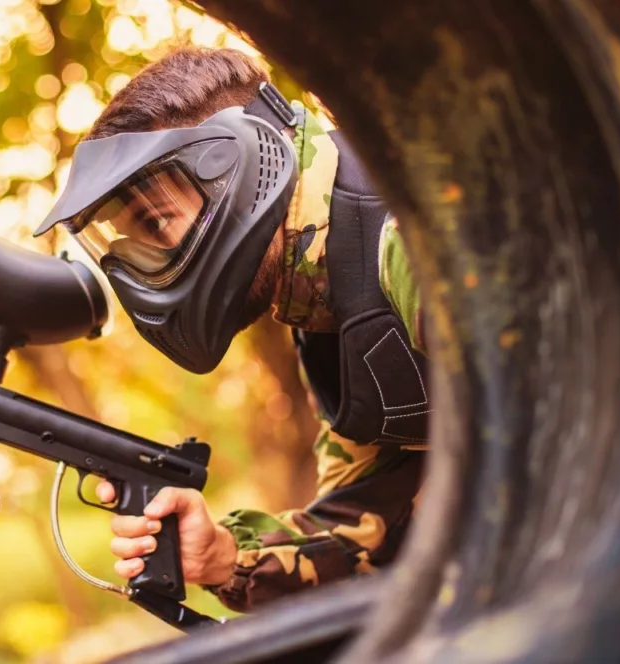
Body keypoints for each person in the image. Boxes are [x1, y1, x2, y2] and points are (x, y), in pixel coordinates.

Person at [32, 47, 429, 613]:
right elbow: (364, 526)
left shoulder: (411, 240)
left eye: (155, 221)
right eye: (126, 245)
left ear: (241, 164)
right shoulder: (322, 305)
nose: (147, 264)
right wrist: (222, 555)